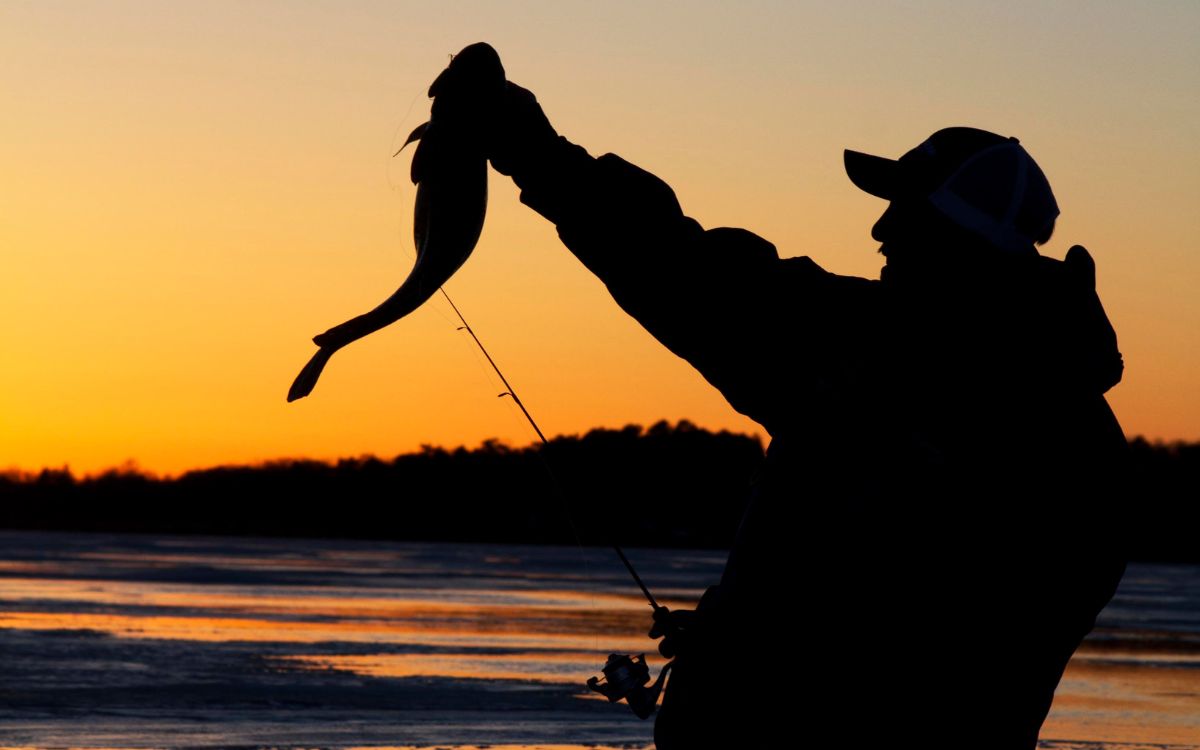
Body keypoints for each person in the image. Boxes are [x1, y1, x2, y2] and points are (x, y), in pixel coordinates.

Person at [439, 44, 1129, 749]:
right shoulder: (1083, 435)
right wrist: (737, 633)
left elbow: (687, 271)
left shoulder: (882, 355)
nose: (881, 229)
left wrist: (534, 149)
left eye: (907, 212)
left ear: (963, 236)